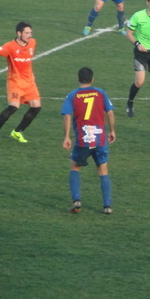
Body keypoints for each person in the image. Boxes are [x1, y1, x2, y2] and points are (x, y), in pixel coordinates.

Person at [61, 67, 116, 214]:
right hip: (100, 139)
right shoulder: (101, 92)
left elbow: (67, 116)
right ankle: (107, 206)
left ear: (78, 79)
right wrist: (112, 131)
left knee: (75, 166)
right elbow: (110, 113)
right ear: (92, 79)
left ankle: (76, 200)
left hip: (83, 140)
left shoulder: (72, 95)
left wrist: (66, 137)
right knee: (103, 169)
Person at [0, 21, 41, 144]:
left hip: (29, 82)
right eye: (27, 33)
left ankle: (17, 132)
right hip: (15, 82)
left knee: (36, 107)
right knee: (14, 107)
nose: (30, 35)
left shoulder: (32, 43)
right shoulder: (10, 46)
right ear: (19, 33)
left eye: (30, 32)